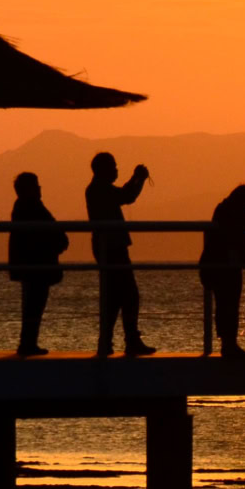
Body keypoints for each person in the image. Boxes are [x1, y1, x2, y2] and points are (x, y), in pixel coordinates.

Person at [86, 152, 154, 358]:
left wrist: (135, 179)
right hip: (112, 248)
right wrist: (138, 178)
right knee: (129, 295)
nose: (116, 170)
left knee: (114, 297)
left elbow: (124, 195)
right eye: (113, 167)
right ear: (103, 169)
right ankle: (130, 340)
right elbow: (126, 196)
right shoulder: (99, 189)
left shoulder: (97, 189)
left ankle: (107, 342)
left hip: (109, 247)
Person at [4, 171, 68, 357]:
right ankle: (28, 344)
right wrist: (58, 242)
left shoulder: (23, 207)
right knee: (34, 305)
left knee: (32, 305)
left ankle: (28, 342)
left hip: (31, 264)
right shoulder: (31, 207)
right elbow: (46, 232)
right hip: (36, 264)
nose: (40, 188)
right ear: (29, 189)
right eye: (36, 185)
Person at [200, 184, 245, 358]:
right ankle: (229, 344)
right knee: (229, 304)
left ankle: (228, 343)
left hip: (217, 265)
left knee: (224, 305)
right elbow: (240, 237)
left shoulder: (223, 209)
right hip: (225, 266)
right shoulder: (234, 214)